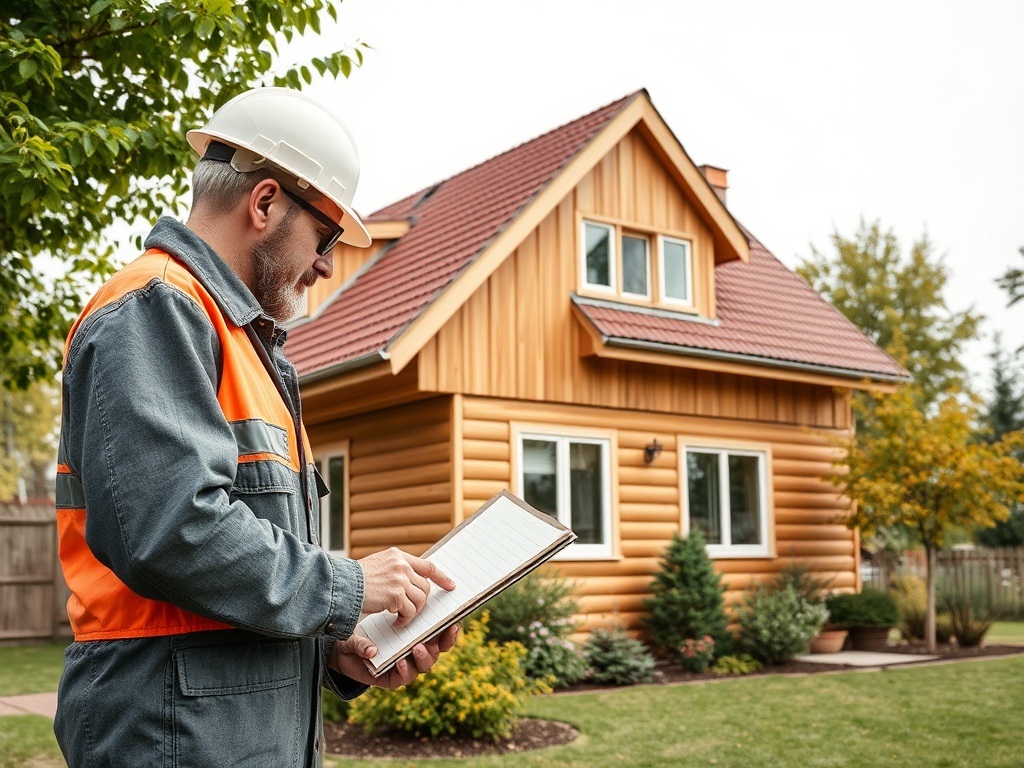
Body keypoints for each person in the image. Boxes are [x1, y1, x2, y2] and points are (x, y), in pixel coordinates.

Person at [53, 87, 458, 767]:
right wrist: (348, 586)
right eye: (326, 236)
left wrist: (337, 652)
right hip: (171, 735)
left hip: (223, 733)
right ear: (265, 203)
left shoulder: (245, 345)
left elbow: (226, 581)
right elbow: (171, 532)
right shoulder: (157, 310)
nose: (329, 263)